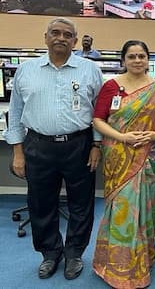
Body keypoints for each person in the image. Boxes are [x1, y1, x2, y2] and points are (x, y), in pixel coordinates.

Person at [4, 17, 104, 280]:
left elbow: (99, 111)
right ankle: (50, 253)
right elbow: (15, 112)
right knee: (40, 203)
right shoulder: (27, 70)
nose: (61, 38)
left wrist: (97, 144)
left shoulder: (90, 70)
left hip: (79, 145)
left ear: (75, 40)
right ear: (46, 37)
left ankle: (74, 254)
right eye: (55, 33)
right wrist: (17, 152)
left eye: (67, 35)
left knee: (81, 203)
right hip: (38, 146)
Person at [92, 40, 155, 289]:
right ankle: (117, 264)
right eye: (132, 56)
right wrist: (122, 137)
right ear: (123, 60)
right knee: (122, 208)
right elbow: (98, 120)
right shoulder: (111, 86)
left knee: (144, 207)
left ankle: (142, 257)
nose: (137, 61)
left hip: (149, 155)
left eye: (141, 56)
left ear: (148, 59)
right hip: (118, 155)